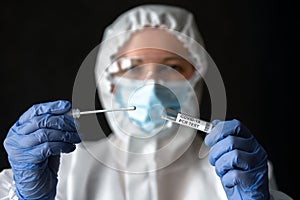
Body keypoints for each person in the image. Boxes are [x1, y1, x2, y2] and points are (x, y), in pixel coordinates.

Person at [0, 4, 293, 200]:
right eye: (133, 67)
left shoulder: (233, 171)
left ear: (197, 81)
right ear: (107, 80)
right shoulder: (68, 167)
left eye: (174, 67)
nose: (152, 82)